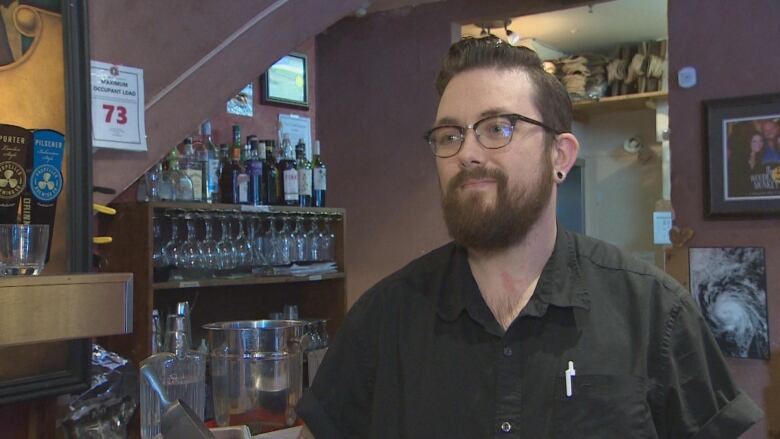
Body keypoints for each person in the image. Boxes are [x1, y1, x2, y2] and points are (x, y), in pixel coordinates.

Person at [296, 36, 763, 438]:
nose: (468, 153)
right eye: (450, 135)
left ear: (560, 155)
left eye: (498, 128)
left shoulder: (656, 313)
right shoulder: (382, 320)